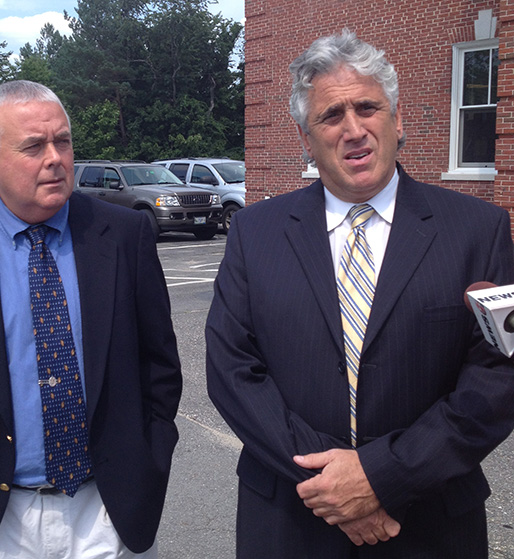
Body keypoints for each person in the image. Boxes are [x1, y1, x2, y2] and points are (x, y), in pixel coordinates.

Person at [205, 30, 514, 558]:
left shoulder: (477, 229)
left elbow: (496, 377)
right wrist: (333, 485)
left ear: (396, 121)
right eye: (331, 116)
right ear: (307, 137)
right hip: (291, 516)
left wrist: (382, 477)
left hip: (430, 522)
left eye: (368, 108)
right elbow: (232, 370)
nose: (354, 129)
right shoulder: (255, 232)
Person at [0, 80, 182, 559]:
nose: (55, 158)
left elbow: (160, 366)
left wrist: (149, 460)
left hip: (104, 513)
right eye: (33, 146)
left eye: (62, 141)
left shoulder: (123, 235)